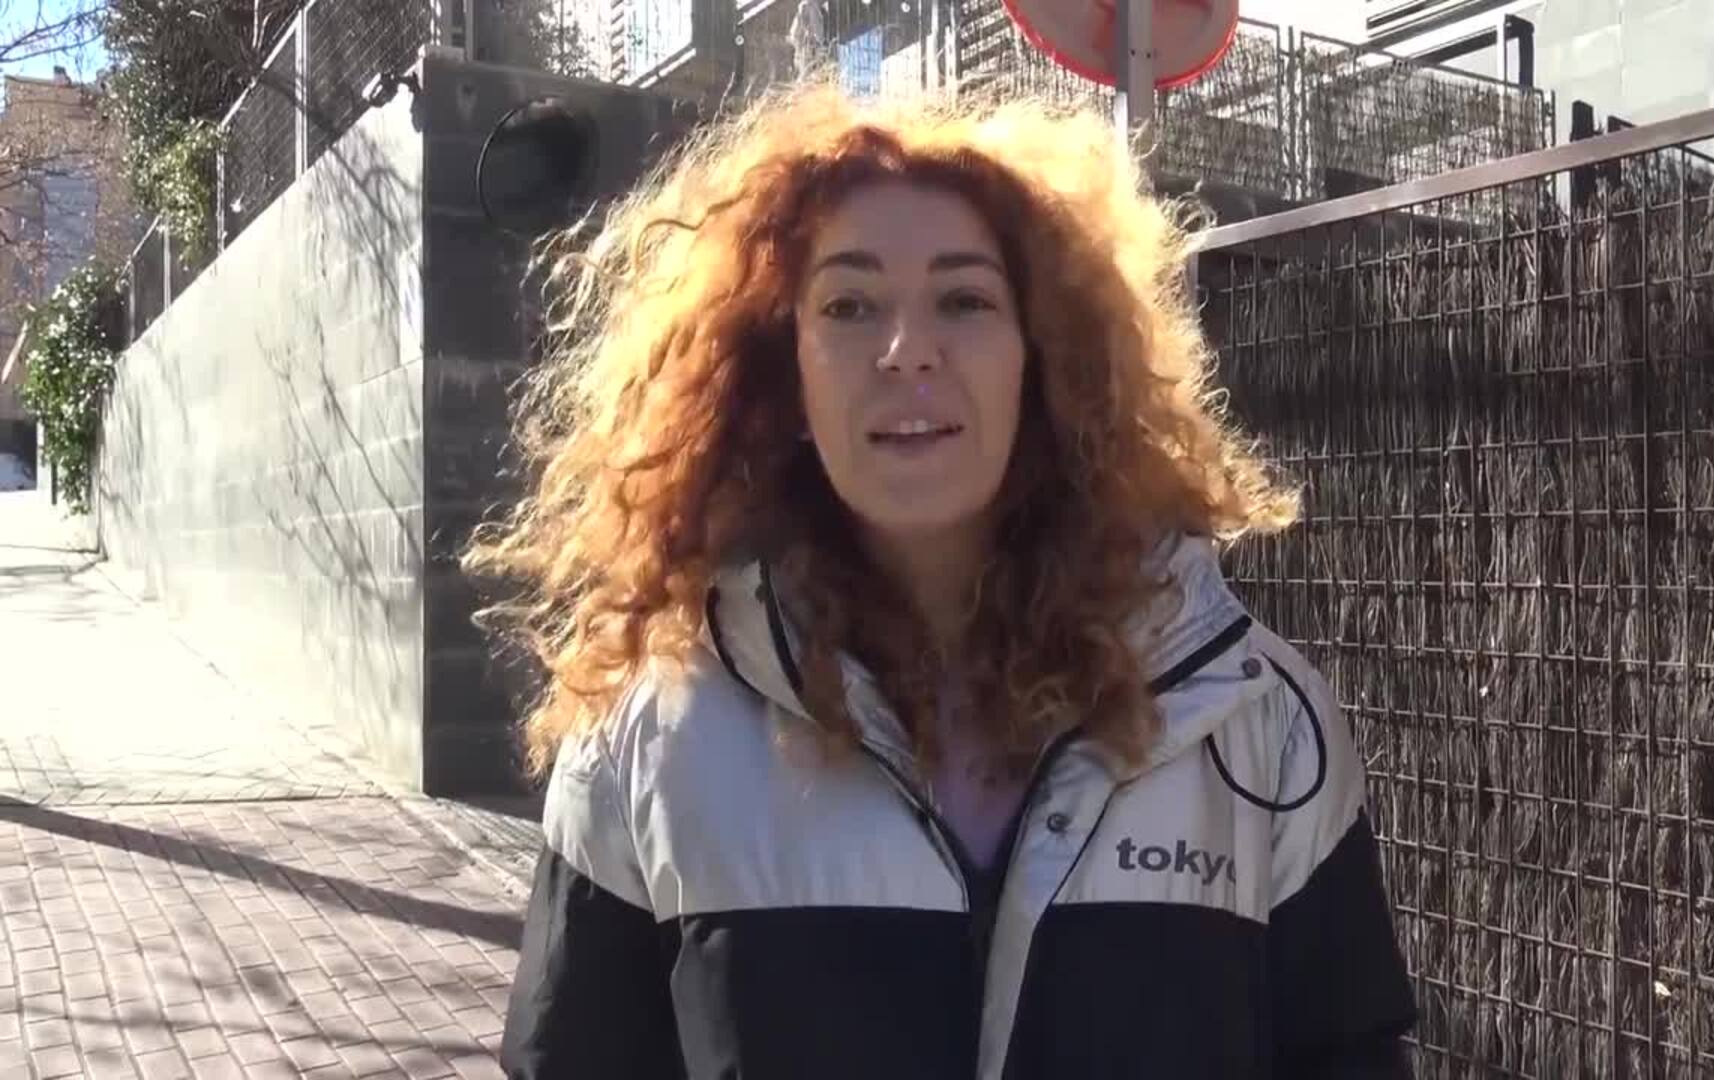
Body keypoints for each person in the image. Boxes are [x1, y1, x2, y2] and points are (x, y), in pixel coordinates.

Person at [467, 83, 1417, 1079]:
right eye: (849, 305)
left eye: (964, 300)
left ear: (1041, 361)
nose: (906, 351)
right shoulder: (644, 746)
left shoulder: (1255, 725)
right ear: (785, 374)